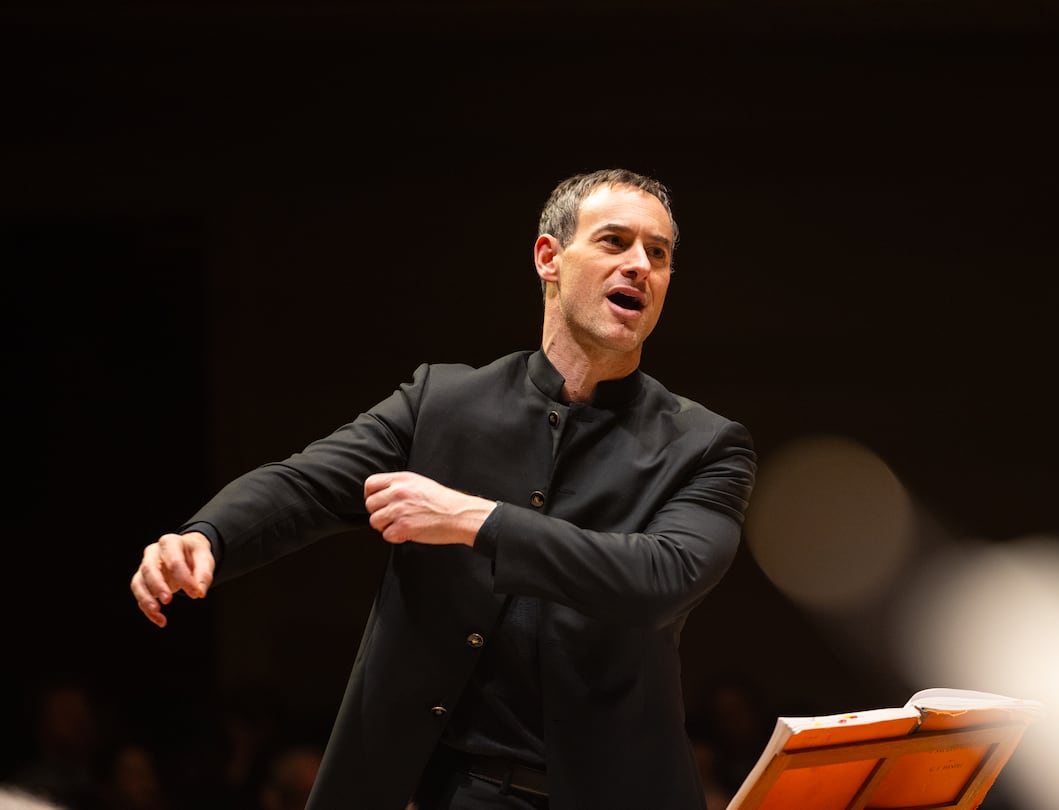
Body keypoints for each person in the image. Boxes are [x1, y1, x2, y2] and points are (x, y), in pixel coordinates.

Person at [128, 169, 758, 810]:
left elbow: (661, 578)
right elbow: (306, 484)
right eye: (614, 242)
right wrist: (206, 535)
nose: (639, 266)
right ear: (549, 258)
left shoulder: (703, 444)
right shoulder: (442, 403)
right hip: (448, 791)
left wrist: (478, 519)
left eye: (658, 253)